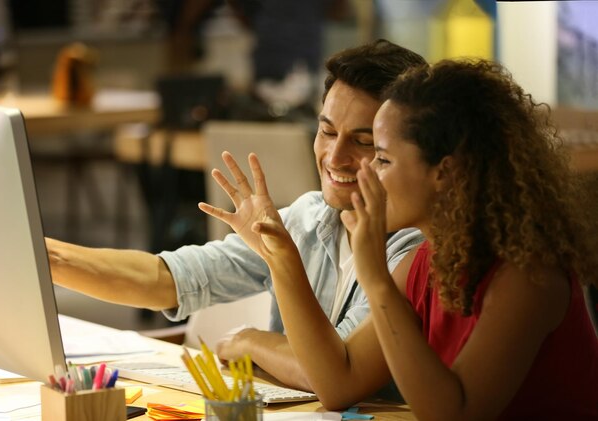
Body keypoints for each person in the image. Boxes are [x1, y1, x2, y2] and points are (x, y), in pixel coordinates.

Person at [201, 59, 598, 418]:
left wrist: (374, 277)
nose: (366, 171)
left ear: (445, 172)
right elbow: (339, 382)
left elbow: (454, 414)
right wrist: (281, 255)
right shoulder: (425, 261)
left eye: (383, 158)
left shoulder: (527, 275)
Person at [46, 39, 427, 391]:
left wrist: (252, 340)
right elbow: (173, 278)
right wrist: (50, 259)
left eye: (362, 142)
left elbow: (337, 371)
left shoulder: (415, 249)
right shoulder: (311, 217)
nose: (335, 156)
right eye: (326, 132)